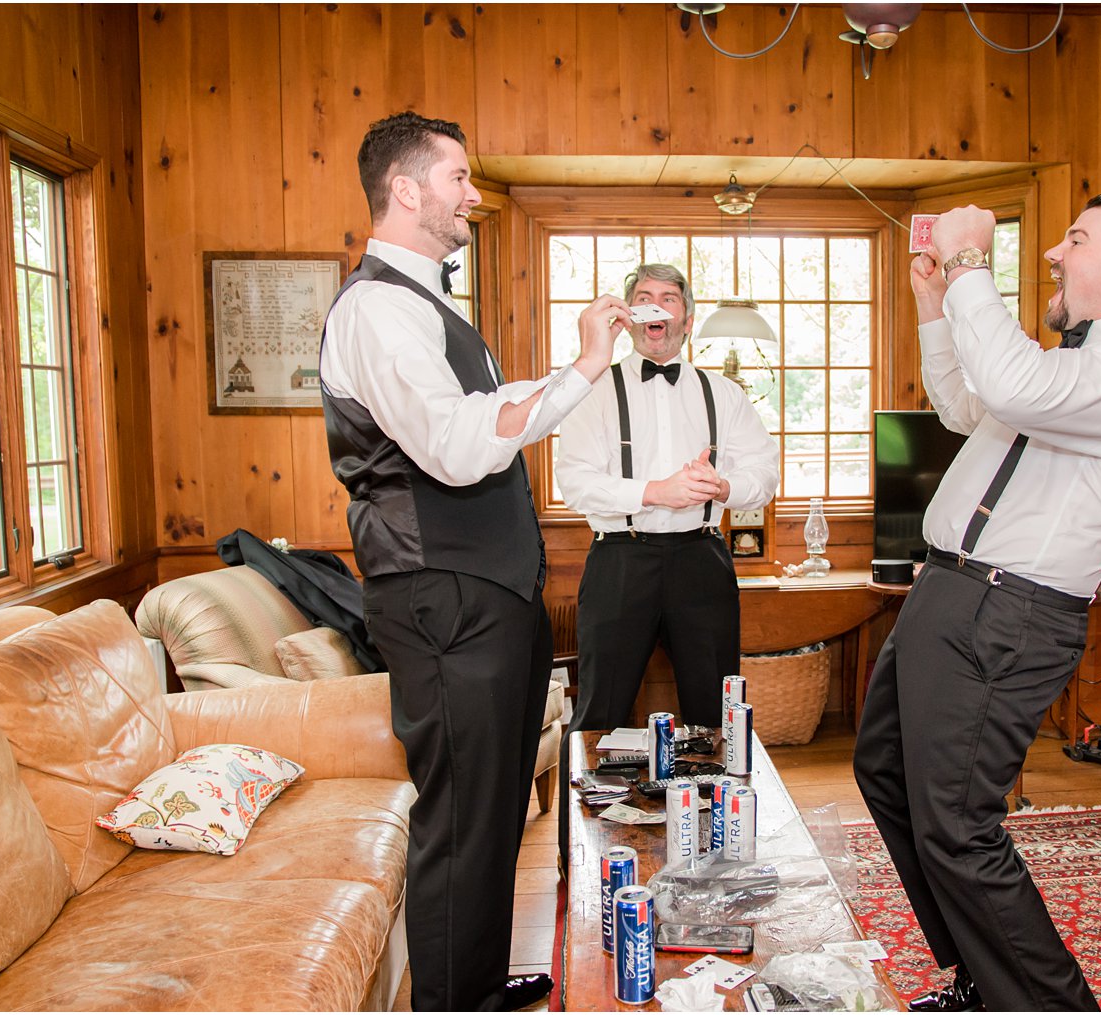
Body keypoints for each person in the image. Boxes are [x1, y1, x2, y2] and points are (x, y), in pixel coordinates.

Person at [319, 112, 630, 1012]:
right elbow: (459, 448)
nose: (473, 195)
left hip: (486, 592)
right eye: (458, 178)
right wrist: (578, 371)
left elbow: (487, 408)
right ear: (407, 190)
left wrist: (580, 367)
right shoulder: (377, 309)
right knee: (461, 820)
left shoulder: (425, 306)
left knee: (495, 812)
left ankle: (478, 987)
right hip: (442, 596)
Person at [852, 191, 1101, 1012]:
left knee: (961, 825)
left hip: (1008, 613)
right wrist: (938, 306)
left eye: (1074, 238)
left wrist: (971, 260)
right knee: (887, 774)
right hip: (948, 590)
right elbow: (971, 404)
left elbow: (1012, 381)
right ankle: (979, 976)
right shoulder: (1069, 367)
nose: (1054, 253)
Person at [556, 264, 779, 732]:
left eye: (669, 298)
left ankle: (713, 804)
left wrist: (723, 487)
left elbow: (763, 473)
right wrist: (655, 492)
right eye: (643, 296)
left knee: (715, 708)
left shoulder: (724, 394)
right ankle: (590, 805)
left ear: (687, 320)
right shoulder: (591, 389)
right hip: (619, 559)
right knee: (601, 707)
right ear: (628, 316)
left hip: (701, 558)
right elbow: (574, 481)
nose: (655, 304)